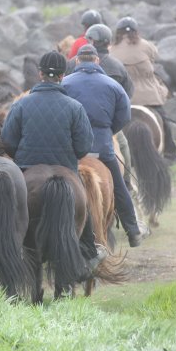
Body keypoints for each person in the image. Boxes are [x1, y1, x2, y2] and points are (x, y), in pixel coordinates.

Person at [1, 51, 105, 272]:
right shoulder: (74, 107)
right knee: (82, 203)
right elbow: (84, 146)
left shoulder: (20, 105)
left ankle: (6, 248)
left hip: (26, 168)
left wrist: (21, 156)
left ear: (40, 74)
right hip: (65, 167)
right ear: (62, 76)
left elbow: (8, 141)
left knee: (7, 207)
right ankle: (87, 250)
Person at [62, 44, 144, 247]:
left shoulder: (64, 83)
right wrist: (107, 130)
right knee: (119, 186)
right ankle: (132, 230)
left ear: (78, 61)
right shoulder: (113, 85)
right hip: (103, 146)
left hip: (72, 148)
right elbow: (124, 115)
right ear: (97, 61)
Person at [65, 23, 135, 187]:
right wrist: (111, 128)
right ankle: (127, 182)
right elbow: (128, 94)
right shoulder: (117, 66)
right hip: (105, 129)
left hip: (74, 133)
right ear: (107, 42)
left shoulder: (71, 65)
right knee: (123, 146)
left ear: (92, 41)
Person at [110, 16, 176, 163]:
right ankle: (170, 151)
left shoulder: (111, 49)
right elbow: (154, 56)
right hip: (148, 96)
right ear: (136, 32)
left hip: (123, 97)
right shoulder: (146, 45)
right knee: (163, 120)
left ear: (118, 32)